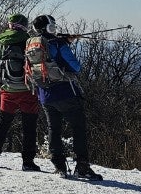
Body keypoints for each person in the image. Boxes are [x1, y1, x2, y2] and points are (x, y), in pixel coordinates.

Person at [26, 15, 102, 181]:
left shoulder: (31, 44)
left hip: (44, 94)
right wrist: (65, 45)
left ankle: (59, 166)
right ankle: (82, 166)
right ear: (50, 27)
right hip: (66, 92)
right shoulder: (57, 43)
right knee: (78, 128)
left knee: (54, 128)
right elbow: (75, 66)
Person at [0, 13, 41, 171]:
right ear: (24, 25)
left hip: (7, 90)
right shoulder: (28, 40)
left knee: (3, 123)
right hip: (27, 90)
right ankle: (28, 162)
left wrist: (0, 84)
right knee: (29, 126)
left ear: (10, 24)